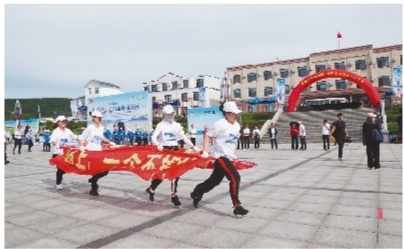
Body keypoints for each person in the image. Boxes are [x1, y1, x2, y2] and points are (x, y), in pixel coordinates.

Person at [190, 101, 249, 216]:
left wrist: (233, 154)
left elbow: (233, 142)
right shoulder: (220, 124)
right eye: (233, 113)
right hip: (219, 156)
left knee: (215, 181)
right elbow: (208, 136)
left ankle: (198, 191)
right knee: (235, 177)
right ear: (226, 114)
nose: (236, 115)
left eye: (236, 113)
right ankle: (236, 206)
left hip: (228, 156)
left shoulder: (237, 126)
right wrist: (206, 152)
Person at [146, 105, 200, 206]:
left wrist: (194, 147)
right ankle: (151, 189)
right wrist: (158, 145)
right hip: (165, 151)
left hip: (175, 150)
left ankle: (174, 195)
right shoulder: (161, 125)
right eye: (167, 114)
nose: (170, 116)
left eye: (171, 114)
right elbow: (153, 137)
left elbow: (184, 138)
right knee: (161, 174)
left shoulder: (177, 125)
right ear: (164, 114)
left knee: (176, 174)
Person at [79, 111, 116, 196]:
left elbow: (101, 137)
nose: (100, 119)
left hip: (99, 151)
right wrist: (81, 146)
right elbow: (80, 137)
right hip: (91, 152)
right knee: (95, 171)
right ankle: (94, 189)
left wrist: (110, 142)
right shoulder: (90, 128)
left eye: (101, 117)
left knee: (105, 170)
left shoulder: (101, 127)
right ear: (93, 118)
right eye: (98, 117)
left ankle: (93, 180)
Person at [50, 116, 81, 190]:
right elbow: (53, 140)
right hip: (58, 153)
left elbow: (75, 137)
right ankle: (58, 183)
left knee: (68, 167)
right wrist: (56, 145)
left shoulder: (68, 130)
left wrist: (80, 141)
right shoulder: (56, 131)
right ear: (58, 123)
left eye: (65, 121)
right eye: (62, 121)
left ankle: (60, 179)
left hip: (67, 153)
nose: (64, 123)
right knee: (60, 169)